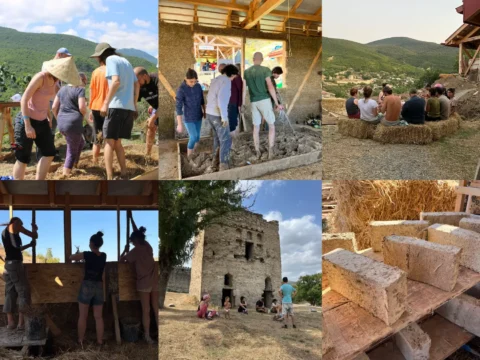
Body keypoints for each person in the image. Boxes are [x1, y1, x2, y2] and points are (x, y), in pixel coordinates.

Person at [13, 57, 81, 180]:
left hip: (42, 120)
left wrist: (48, 116)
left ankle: (39, 184)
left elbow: (48, 100)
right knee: (22, 157)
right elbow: (24, 99)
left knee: (49, 152)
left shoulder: (55, 81)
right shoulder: (40, 77)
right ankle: (17, 190)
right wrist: (28, 125)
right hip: (26, 119)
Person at [90, 43, 140, 180]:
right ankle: (124, 173)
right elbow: (137, 84)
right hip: (128, 109)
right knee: (118, 143)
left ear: (101, 56)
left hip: (116, 107)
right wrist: (134, 104)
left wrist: (106, 103)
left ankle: (110, 177)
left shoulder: (110, 60)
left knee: (109, 143)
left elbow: (116, 82)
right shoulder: (126, 62)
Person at [120, 212, 158, 344]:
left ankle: (147, 336)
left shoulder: (134, 251)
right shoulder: (147, 246)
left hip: (143, 283)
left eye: (131, 241)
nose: (131, 243)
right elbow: (138, 233)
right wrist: (131, 219)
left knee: (146, 310)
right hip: (154, 281)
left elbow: (122, 261)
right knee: (155, 308)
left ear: (134, 241)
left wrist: (125, 250)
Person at [69, 231, 107, 347]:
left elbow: (71, 258)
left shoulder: (87, 254)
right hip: (99, 286)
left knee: (83, 316)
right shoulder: (104, 255)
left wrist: (79, 254)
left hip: (87, 285)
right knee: (99, 317)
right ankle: (99, 341)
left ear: (91, 243)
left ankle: (80, 341)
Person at [244, 52, 284, 160]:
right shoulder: (265, 70)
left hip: (253, 101)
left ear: (253, 59)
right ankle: (271, 151)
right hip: (264, 100)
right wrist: (277, 103)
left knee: (256, 127)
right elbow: (270, 87)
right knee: (272, 126)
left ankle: (257, 151)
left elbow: (244, 89)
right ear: (261, 59)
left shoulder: (246, 72)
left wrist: (242, 103)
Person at [2, 217, 37, 331]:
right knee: (23, 291)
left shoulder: (6, 233)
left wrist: (31, 241)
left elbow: (17, 248)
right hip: (16, 265)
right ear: (16, 222)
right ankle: (21, 324)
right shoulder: (13, 227)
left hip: (8, 265)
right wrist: (33, 231)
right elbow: (32, 236)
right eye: (21, 225)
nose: (21, 227)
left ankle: (10, 322)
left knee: (10, 292)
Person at [53, 73, 87, 176]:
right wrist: (85, 115)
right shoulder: (80, 90)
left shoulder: (62, 90)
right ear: (81, 80)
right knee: (71, 150)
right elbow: (82, 107)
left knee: (80, 142)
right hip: (73, 123)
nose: (85, 83)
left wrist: (58, 119)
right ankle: (65, 174)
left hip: (62, 122)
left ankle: (75, 164)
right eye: (85, 81)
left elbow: (54, 107)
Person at [206, 64, 238, 171]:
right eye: (234, 76)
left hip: (210, 114)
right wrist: (224, 117)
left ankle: (214, 163)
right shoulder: (226, 81)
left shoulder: (216, 80)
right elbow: (221, 100)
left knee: (217, 139)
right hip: (217, 115)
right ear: (231, 74)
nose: (233, 79)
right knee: (226, 139)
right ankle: (224, 165)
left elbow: (209, 96)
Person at [176, 69, 205, 157]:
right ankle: (189, 157)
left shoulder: (198, 86)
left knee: (197, 137)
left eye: (195, 81)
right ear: (185, 79)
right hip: (188, 117)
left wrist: (205, 111)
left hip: (198, 115)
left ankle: (194, 153)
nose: (193, 83)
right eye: (191, 81)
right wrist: (179, 124)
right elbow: (178, 107)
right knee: (193, 137)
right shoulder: (181, 89)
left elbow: (202, 100)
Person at [89, 55, 110, 165]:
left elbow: (91, 90)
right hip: (108, 107)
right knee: (108, 138)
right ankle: (108, 164)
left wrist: (90, 108)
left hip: (96, 107)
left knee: (97, 137)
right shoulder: (112, 71)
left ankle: (95, 162)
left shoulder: (95, 72)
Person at [134, 67, 159, 157]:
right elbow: (134, 100)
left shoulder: (157, 80)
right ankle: (148, 154)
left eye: (138, 80)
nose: (137, 83)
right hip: (157, 107)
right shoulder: (139, 87)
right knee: (150, 128)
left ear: (145, 76)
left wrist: (153, 117)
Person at [228, 64, 244, 139]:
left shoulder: (237, 77)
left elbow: (240, 90)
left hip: (233, 102)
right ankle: (232, 138)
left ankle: (233, 139)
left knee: (233, 120)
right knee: (231, 119)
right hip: (230, 101)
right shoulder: (230, 77)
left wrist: (240, 104)